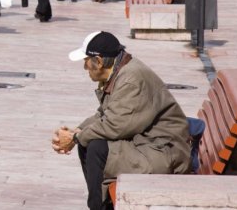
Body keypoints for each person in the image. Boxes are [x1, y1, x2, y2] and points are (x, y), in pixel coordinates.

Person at [52, 31, 191, 210]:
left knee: (96, 148)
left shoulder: (130, 80)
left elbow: (115, 126)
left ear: (99, 61)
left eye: (86, 62)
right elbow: (104, 115)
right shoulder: (119, 73)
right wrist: (76, 132)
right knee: (89, 143)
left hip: (163, 152)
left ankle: (97, 206)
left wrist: (75, 138)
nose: (85, 67)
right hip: (146, 144)